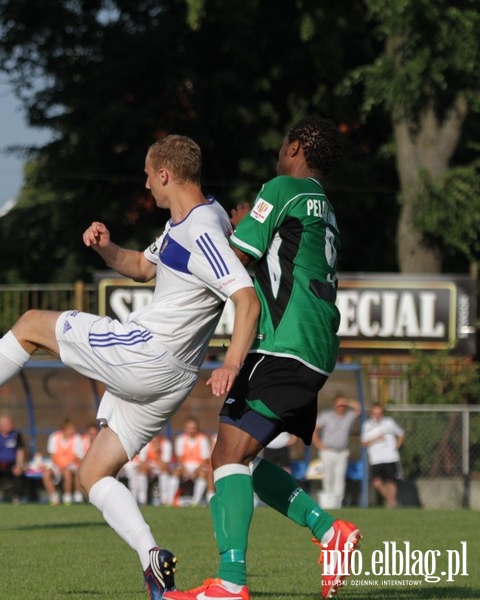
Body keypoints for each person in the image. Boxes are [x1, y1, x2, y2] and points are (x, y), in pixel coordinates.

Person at [0, 134, 260, 600]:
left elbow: (245, 297)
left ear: (165, 174)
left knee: (32, 324)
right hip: (169, 379)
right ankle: (152, 560)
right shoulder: (189, 221)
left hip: (146, 353)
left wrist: (233, 362)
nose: (145, 182)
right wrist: (107, 248)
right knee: (93, 473)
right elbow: (141, 267)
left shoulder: (201, 229)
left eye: (146, 173)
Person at [170, 116, 359, 600]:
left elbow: (237, 260)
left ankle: (231, 583)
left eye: (281, 144)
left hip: (283, 344)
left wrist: (218, 239)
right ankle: (328, 531)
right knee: (235, 459)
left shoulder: (282, 186)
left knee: (229, 456)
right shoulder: (325, 206)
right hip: (311, 346)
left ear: (295, 146)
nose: (277, 153)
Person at [314, 394, 361, 508]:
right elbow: (314, 429)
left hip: (342, 452)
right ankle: (328, 504)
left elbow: (359, 408)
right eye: (339, 404)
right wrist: (318, 444)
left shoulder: (348, 416)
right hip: (328, 451)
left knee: (340, 478)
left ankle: (338, 504)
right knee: (328, 477)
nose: (341, 407)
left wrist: (347, 401)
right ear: (334, 405)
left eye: (343, 405)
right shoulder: (326, 416)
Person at [361, 403, 405, 508]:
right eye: (375, 413)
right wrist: (376, 439)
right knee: (377, 483)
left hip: (390, 457)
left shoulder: (389, 422)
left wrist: (397, 446)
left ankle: (391, 504)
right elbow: (363, 443)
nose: (377, 416)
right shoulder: (367, 425)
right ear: (371, 413)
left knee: (391, 481)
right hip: (376, 459)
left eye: (379, 413)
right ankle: (392, 501)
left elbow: (401, 434)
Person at [41, 418, 85, 505]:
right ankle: (54, 497)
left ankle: (67, 497)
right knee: (46, 475)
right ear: (64, 429)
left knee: (67, 472)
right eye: (71, 429)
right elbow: (52, 455)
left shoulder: (77, 438)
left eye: (74, 429)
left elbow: (79, 457)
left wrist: (67, 466)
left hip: (72, 466)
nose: (73, 431)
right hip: (57, 465)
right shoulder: (54, 437)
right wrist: (59, 467)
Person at [0, 414, 27, 503]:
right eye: (8, 424)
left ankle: (17, 497)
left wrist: (19, 465)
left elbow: (20, 451)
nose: (10, 426)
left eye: (10, 424)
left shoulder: (16, 435)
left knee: (18, 473)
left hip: (12, 463)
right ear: (1, 426)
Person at [172, 417, 213, 506]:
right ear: (185, 428)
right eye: (189, 428)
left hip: (199, 466)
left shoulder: (203, 439)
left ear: (197, 428)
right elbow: (179, 458)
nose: (191, 430)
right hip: (185, 465)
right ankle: (170, 500)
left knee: (203, 473)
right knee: (175, 473)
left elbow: (205, 459)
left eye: (194, 428)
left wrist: (195, 471)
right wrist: (185, 471)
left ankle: (195, 501)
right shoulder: (180, 439)